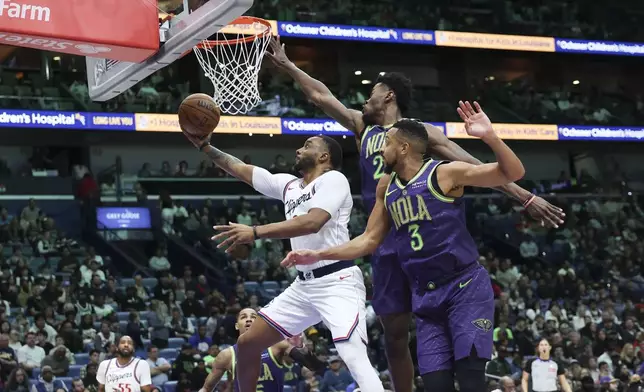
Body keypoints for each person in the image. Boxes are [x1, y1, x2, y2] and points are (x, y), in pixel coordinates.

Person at [265, 36, 565, 392]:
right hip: (383, 234)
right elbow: (320, 95)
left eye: (372, 92)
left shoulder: (418, 133)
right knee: (393, 333)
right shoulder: (363, 128)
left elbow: (472, 164)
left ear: (389, 96)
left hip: (424, 230)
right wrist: (288, 66)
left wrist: (525, 197)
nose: (365, 98)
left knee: (448, 323)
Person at [281, 106, 524, 392]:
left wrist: (491, 137)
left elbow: (513, 172)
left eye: (386, 144)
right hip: (425, 295)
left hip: (464, 286)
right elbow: (369, 240)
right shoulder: (387, 185)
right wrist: (318, 254)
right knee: (435, 384)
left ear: (404, 147)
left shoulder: (445, 173)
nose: (380, 150)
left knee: (470, 377)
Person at [183, 130, 383, 391]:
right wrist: (206, 147)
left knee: (352, 354)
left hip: (337, 280)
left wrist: (255, 231)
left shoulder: (334, 179)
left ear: (324, 156)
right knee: (247, 343)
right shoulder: (289, 185)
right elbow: (242, 169)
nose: (299, 150)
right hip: (303, 286)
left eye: (307, 145)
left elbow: (312, 222)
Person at [197, 308, 325, 392]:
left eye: (253, 317)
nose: (248, 319)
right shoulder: (226, 355)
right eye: (243, 317)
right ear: (237, 325)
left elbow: (315, 366)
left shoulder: (276, 345)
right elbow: (206, 389)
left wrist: (301, 347)